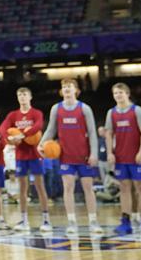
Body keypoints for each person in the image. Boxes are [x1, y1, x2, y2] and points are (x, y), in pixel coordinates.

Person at [39, 78, 102, 236]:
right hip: (66, 155)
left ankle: (93, 221)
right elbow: (50, 130)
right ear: (61, 91)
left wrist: (94, 153)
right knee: (68, 188)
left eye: (70, 86)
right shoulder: (56, 108)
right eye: (64, 87)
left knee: (88, 188)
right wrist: (41, 144)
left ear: (76, 90)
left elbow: (93, 133)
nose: (67, 89)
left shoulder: (84, 108)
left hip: (84, 155)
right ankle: (72, 222)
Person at [0, 87, 52, 232]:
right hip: (21, 156)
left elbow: (38, 126)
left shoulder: (36, 113)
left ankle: (46, 220)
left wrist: (21, 135)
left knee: (40, 187)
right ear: (17, 98)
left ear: (30, 97)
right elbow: (3, 128)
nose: (22, 97)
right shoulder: (13, 115)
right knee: (22, 189)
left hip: (35, 154)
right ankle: (24, 220)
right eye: (19, 95)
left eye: (24, 95)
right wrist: (8, 137)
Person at [104, 82, 141, 235]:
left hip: (136, 156)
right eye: (115, 93)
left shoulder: (137, 110)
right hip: (120, 156)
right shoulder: (111, 113)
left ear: (127, 94)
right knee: (124, 188)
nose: (118, 95)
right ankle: (125, 221)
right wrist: (110, 152)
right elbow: (109, 134)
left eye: (120, 92)